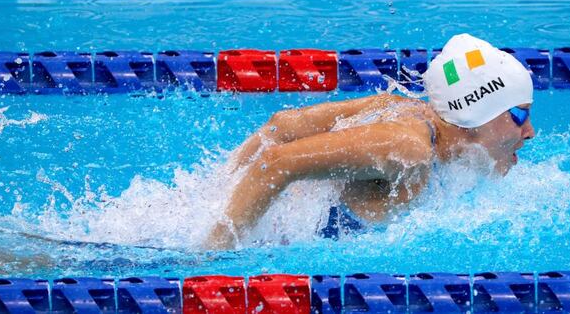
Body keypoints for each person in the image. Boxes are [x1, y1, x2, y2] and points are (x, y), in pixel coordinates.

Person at [206, 33, 536, 249]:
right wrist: (212, 254)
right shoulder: (408, 150)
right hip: (206, 246)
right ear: (478, 111)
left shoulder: (410, 111)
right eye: (519, 115)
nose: (530, 131)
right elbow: (278, 162)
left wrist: (215, 191)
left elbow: (285, 124)